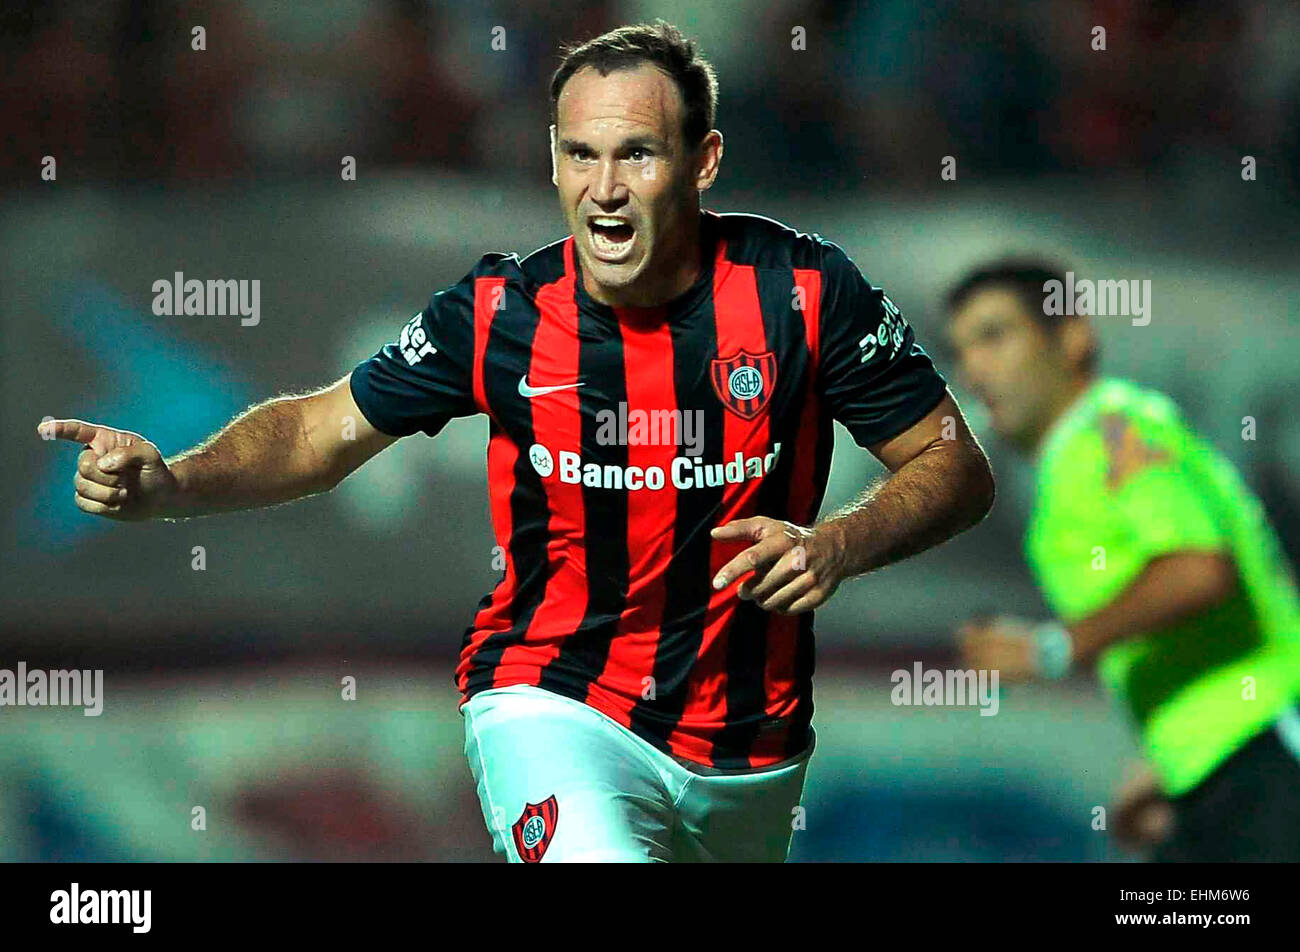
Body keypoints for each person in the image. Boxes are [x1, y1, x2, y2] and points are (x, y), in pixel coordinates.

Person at [40, 21, 993, 862]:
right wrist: (174, 481)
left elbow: (954, 465)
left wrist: (840, 542)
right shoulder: (500, 312)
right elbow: (318, 428)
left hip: (751, 746)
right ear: (550, 160)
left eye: (637, 155)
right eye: (580, 155)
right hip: (552, 699)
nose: (605, 191)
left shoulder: (806, 292)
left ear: (703, 161)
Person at [947, 258, 1300, 861]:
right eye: (961, 350)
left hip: (1263, 754)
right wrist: (1163, 762)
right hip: (1215, 768)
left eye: (995, 336)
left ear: (1073, 336)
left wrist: (1051, 648)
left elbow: (1199, 568)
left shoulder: (1114, 430)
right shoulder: (1074, 463)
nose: (974, 369)